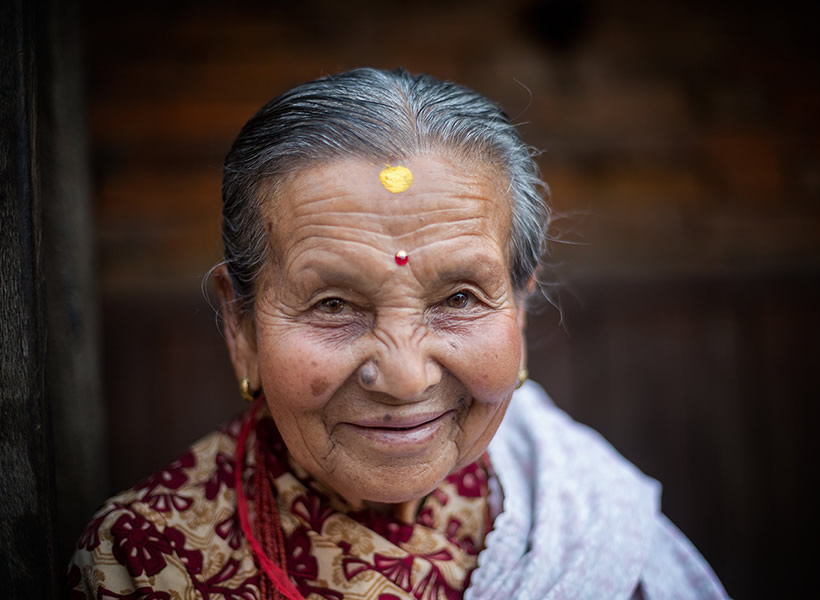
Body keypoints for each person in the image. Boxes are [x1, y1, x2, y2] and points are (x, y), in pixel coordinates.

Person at [69, 67, 728, 599]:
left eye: (460, 297)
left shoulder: (589, 519)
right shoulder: (144, 562)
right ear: (240, 326)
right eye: (333, 304)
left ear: (519, 314)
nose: (407, 376)